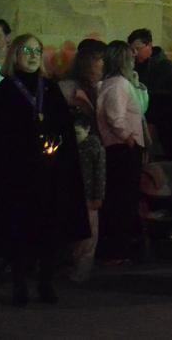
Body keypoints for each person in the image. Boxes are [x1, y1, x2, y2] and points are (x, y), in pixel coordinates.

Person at [0, 34, 89, 306]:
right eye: (27, 50)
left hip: (50, 174)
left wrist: (57, 142)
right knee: (19, 230)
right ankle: (19, 284)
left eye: (37, 50)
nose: (33, 55)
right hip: (17, 175)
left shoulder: (49, 89)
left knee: (49, 228)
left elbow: (63, 127)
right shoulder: (4, 92)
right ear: (16, 53)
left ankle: (45, 282)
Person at [95, 40, 148, 265]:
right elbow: (115, 116)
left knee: (121, 198)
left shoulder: (116, 83)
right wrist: (129, 138)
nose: (134, 59)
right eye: (131, 56)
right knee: (122, 199)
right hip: (123, 148)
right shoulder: (117, 84)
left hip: (122, 147)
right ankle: (117, 250)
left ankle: (118, 247)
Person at [128, 28, 172, 157]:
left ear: (149, 45)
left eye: (138, 49)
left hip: (162, 123)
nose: (134, 53)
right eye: (132, 50)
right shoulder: (135, 66)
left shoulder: (165, 66)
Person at [70, 113, 105, 282]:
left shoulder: (93, 146)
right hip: (75, 196)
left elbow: (100, 173)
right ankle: (76, 268)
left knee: (89, 237)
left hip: (89, 197)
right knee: (78, 235)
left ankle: (83, 270)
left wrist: (98, 196)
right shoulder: (72, 146)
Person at [58, 38, 106, 118]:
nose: (108, 64)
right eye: (103, 59)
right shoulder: (66, 89)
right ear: (88, 62)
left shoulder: (107, 86)